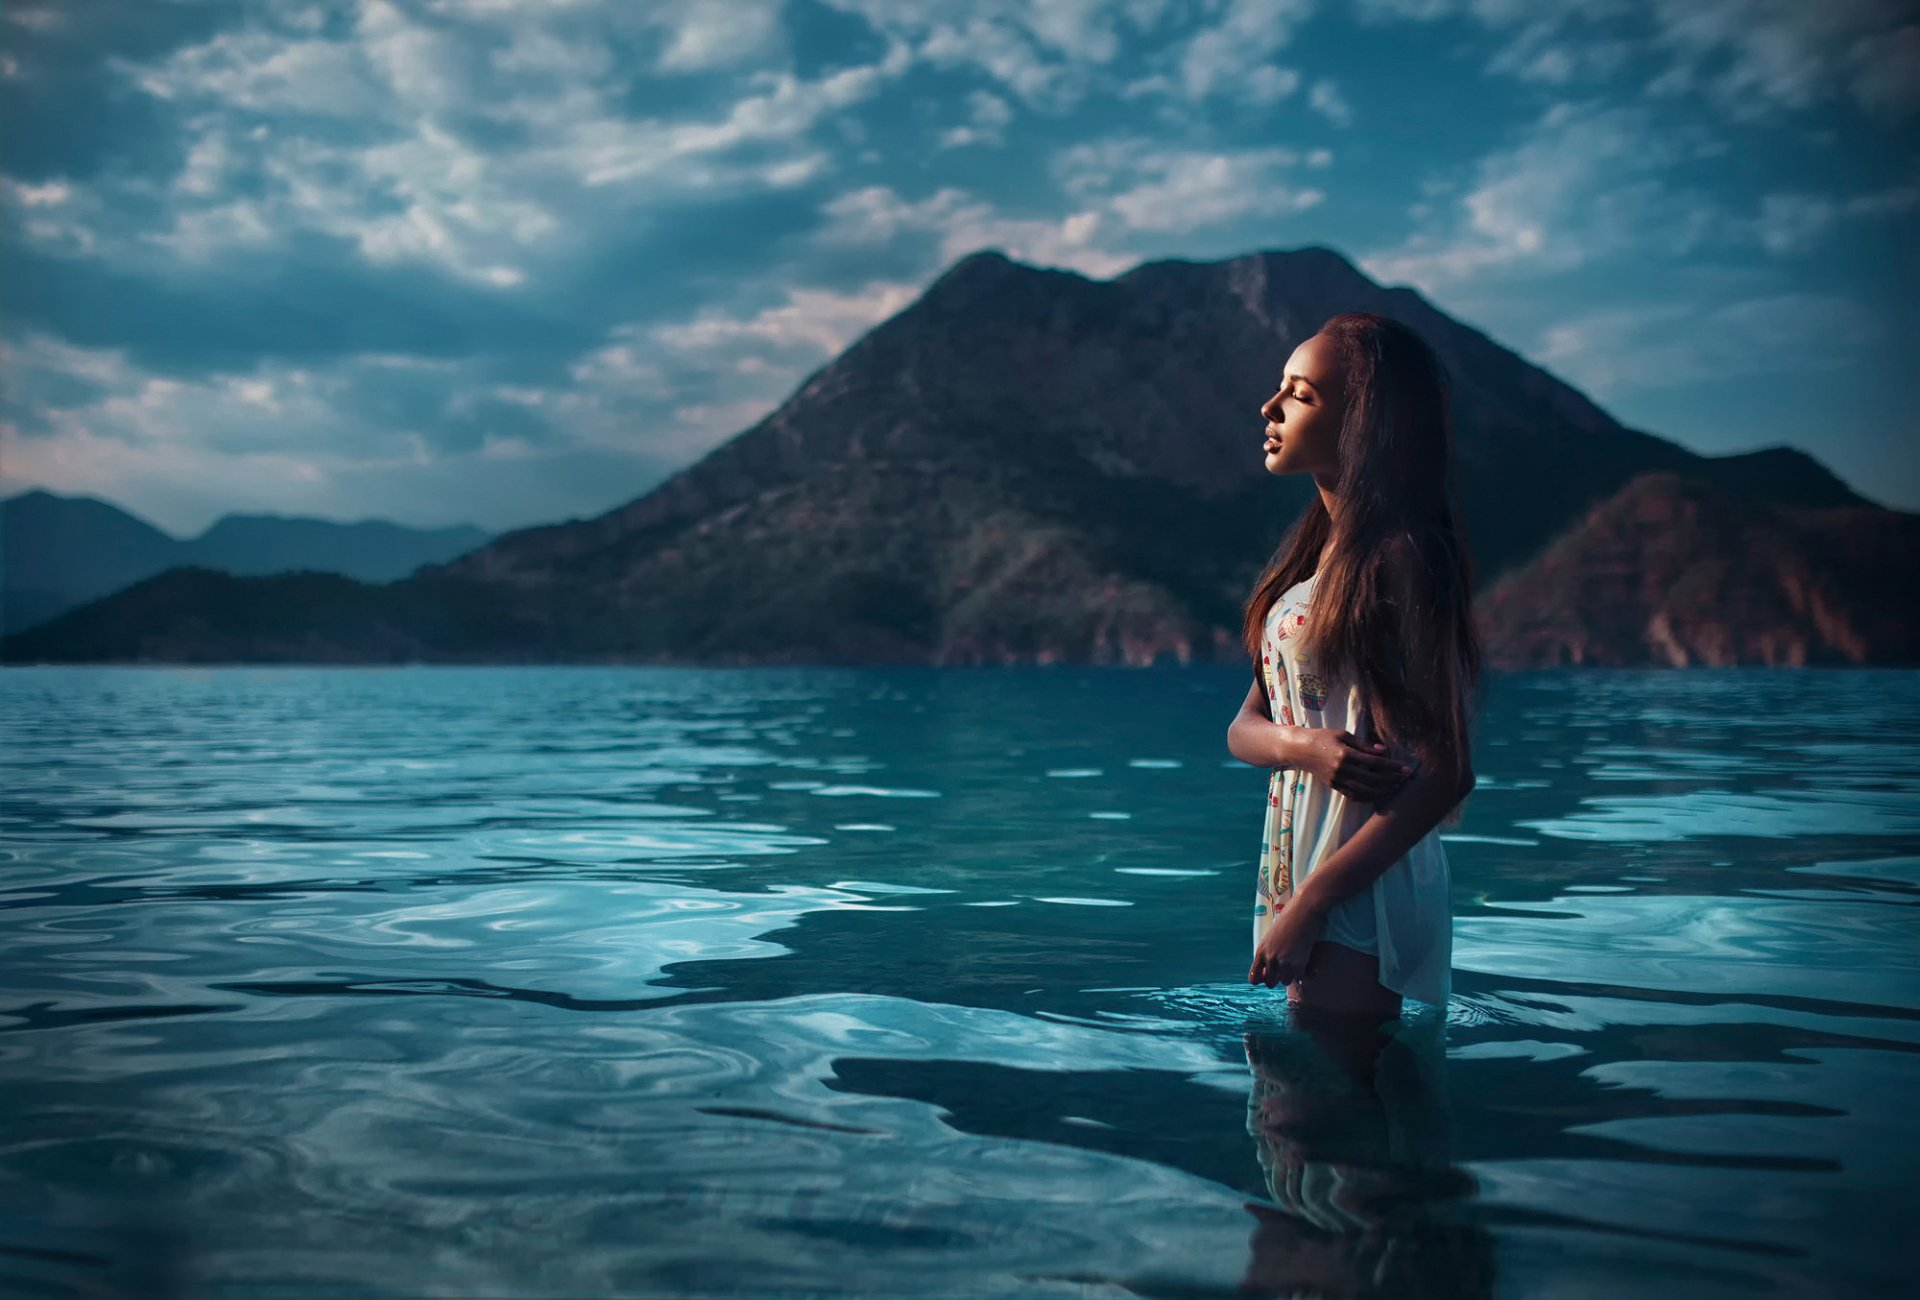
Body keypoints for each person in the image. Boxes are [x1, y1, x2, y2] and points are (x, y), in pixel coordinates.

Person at [1226, 312, 1482, 1021]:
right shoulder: (1312, 566)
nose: (1269, 408)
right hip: (1304, 872)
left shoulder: (1401, 559)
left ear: (1364, 422)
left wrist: (1312, 904)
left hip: (1356, 888)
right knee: (1301, 1115)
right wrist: (1306, 747)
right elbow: (1245, 727)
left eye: (1300, 394)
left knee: (1314, 1117)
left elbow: (1448, 771)